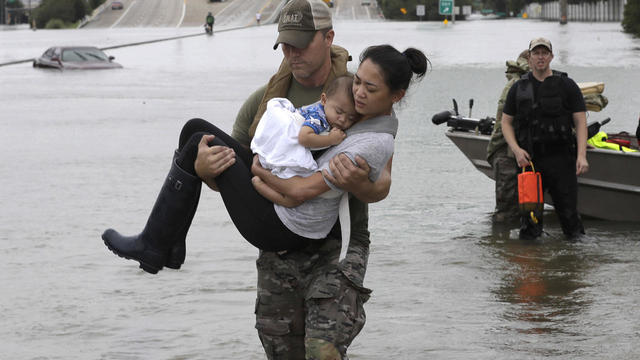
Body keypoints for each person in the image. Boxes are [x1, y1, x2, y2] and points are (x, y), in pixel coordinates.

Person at [501, 37, 589, 240]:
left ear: (551, 56)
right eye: (536, 53)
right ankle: (531, 266)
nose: (540, 57)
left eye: (544, 53)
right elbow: (506, 123)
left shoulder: (567, 85)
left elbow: (580, 121)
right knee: (530, 222)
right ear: (530, 57)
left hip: (562, 159)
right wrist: (516, 150)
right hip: (530, 162)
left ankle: (573, 266)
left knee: (570, 220)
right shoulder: (518, 88)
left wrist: (582, 156)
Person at [250, 75, 358, 182]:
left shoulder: (326, 114)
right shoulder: (318, 117)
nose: (343, 119)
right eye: (339, 112)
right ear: (324, 100)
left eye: (351, 118)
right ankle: (260, 185)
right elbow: (304, 138)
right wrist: (331, 139)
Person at [486, 50, 530, 223]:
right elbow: (505, 124)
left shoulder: (522, 83)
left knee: (522, 209)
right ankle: (501, 247)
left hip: (514, 153)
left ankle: (508, 247)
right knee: (507, 212)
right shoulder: (516, 85)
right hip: (506, 154)